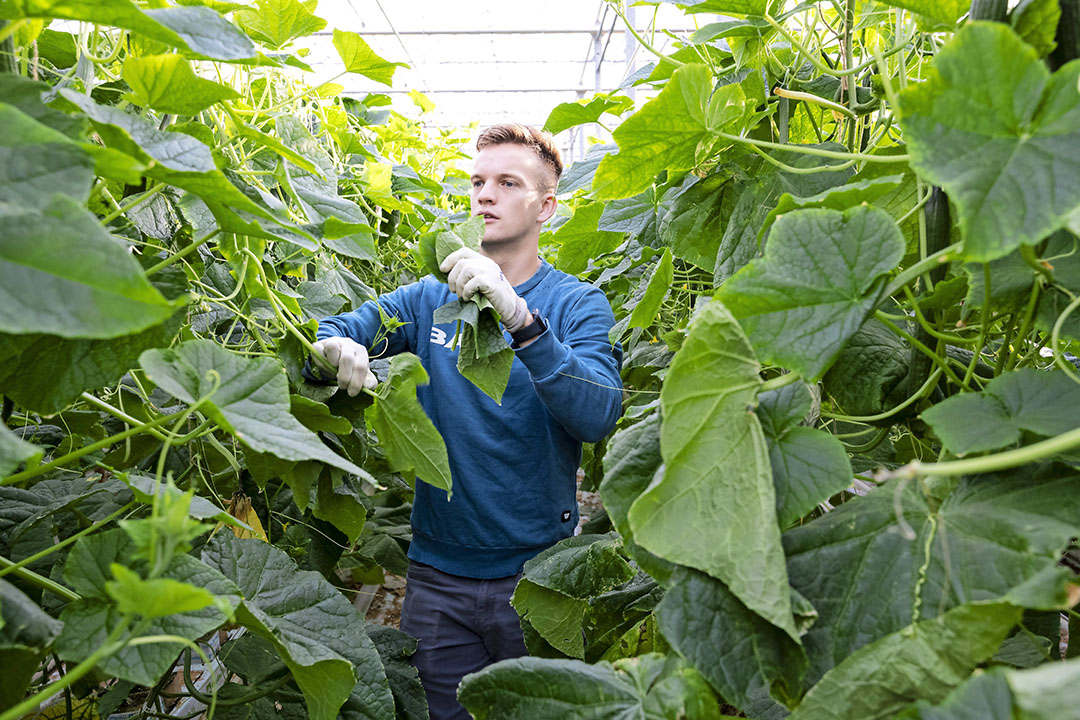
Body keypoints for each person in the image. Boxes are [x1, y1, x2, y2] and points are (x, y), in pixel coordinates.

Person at [307, 124, 623, 719]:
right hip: (437, 571)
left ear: (546, 207)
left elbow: (598, 413)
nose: (485, 195)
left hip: (537, 574)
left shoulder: (576, 303)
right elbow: (335, 333)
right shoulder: (429, 297)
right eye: (478, 181)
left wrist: (522, 320)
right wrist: (330, 354)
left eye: (508, 182)